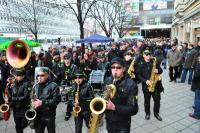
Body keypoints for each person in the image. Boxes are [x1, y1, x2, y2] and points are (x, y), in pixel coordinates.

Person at [104, 57, 138, 133]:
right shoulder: (107, 80)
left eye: (118, 67)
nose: (115, 69)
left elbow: (134, 109)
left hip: (122, 124)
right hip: (109, 122)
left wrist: (114, 107)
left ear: (123, 69)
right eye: (113, 67)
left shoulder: (131, 85)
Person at [137, 49, 163, 121]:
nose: (148, 55)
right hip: (146, 86)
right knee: (147, 101)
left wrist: (158, 70)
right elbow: (138, 75)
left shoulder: (154, 61)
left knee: (157, 101)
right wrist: (145, 81)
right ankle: (147, 113)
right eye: (146, 54)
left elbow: (161, 70)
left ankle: (156, 114)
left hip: (156, 85)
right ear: (143, 55)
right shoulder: (140, 63)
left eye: (149, 54)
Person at [31, 67, 60, 133]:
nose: (39, 77)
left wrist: (42, 102)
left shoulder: (54, 86)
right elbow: (33, 97)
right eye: (38, 75)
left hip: (49, 115)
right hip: (38, 115)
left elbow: (56, 101)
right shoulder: (35, 86)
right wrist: (33, 102)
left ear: (47, 75)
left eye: (42, 75)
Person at [10, 68, 32, 133]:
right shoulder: (14, 83)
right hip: (16, 109)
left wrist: (14, 99)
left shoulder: (27, 83)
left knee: (23, 125)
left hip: (24, 108)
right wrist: (9, 89)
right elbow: (13, 94)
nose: (16, 77)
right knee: (17, 126)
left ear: (23, 76)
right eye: (15, 75)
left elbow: (26, 97)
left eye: (18, 75)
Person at [189, 53, 200, 120]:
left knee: (197, 99)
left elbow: (196, 75)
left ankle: (196, 114)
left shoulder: (199, 64)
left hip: (198, 85)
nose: (198, 58)